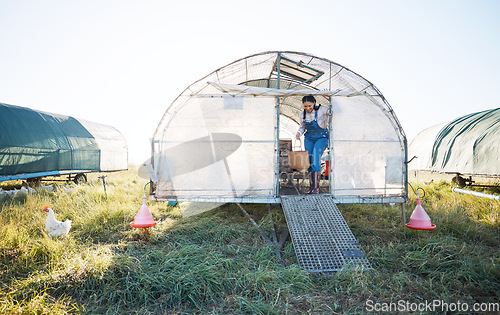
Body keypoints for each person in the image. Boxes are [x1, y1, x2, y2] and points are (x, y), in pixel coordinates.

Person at [295, 95, 330, 194]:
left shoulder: (322, 109)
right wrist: (299, 133)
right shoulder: (303, 114)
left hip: (322, 137)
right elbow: (302, 127)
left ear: (314, 102)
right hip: (309, 138)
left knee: (315, 159)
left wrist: (330, 100)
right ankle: (312, 188)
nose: (308, 108)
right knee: (309, 161)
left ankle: (316, 189)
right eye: (305, 106)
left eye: (309, 106)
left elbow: (333, 112)